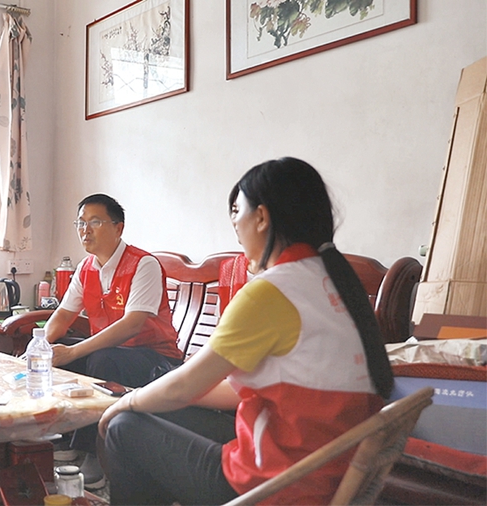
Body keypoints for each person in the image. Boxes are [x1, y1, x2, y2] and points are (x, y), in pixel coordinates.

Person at [98, 157, 394, 505]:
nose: (235, 226)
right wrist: (151, 397)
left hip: (277, 487)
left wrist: (127, 401)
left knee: (124, 427)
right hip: (324, 470)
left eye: (237, 212)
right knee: (156, 411)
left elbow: (183, 385)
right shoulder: (334, 284)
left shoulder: (273, 290)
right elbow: (222, 391)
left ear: (262, 217)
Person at [45, 193, 183, 488]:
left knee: (97, 358)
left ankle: (94, 452)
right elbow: (63, 315)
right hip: (112, 353)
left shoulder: (143, 264)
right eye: (80, 223)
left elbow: (132, 325)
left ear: (118, 227)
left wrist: (72, 352)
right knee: (62, 353)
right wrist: (39, 347)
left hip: (156, 360)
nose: (85, 230)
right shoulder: (86, 268)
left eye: (95, 222)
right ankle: (67, 437)